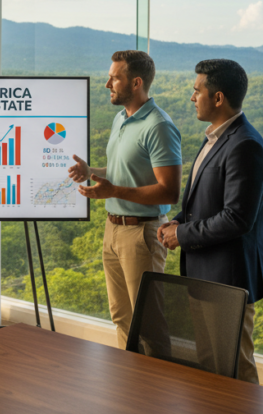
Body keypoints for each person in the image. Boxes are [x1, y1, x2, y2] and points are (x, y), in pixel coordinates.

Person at [157, 59, 263, 383]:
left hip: (227, 279)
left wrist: (183, 234)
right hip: (204, 274)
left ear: (217, 97)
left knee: (233, 368)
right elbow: (202, 203)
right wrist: (177, 222)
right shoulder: (215, 139)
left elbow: (237, 218)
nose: (192, 98)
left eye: (197, 91)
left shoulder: (245, 145)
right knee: (209, 365)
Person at [68, 50, 182, 349]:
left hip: (142, 233)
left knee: (148, 323)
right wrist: (90, 171)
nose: (108, 84)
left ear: (136, 83)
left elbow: (169, 191)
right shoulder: (121, 119)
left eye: (115, 78)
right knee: (122, 317)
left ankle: (154, 390)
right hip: (113, 230)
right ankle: (129, 385)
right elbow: (122, 172)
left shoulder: (159, 126)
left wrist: (114, 191)